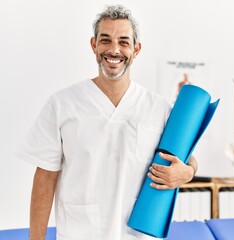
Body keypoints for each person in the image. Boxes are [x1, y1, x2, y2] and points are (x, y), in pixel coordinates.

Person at [16, 5, 197, 240]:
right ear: (94, 45)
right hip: (80, 233)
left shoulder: (158, 107)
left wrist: (188, 172)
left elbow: (187, 157)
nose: (114, 50)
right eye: (105, 40)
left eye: (123, 41)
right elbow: (45, 177)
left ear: (136, 49)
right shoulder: (62, 104)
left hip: (138, 234)